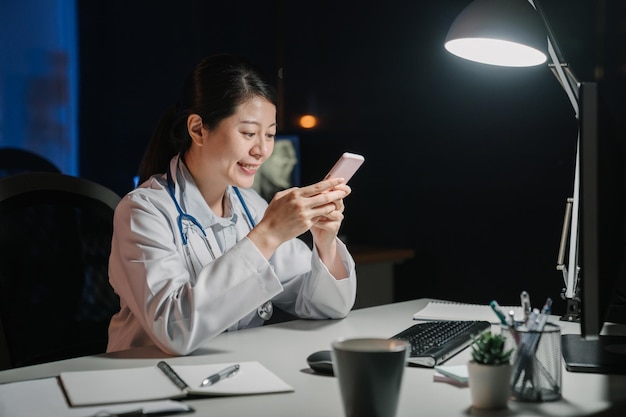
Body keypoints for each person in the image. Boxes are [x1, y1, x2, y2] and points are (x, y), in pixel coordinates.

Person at [107, 54, 357, 355]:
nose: (262, 150)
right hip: (151, 379)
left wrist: (325, 243)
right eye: (249, 133)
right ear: (198, 129)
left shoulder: (250, 205)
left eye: (270, 135)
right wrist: (267, 235)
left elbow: (327, 306)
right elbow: (174, 330)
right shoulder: (143, 211)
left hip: (234, 373)